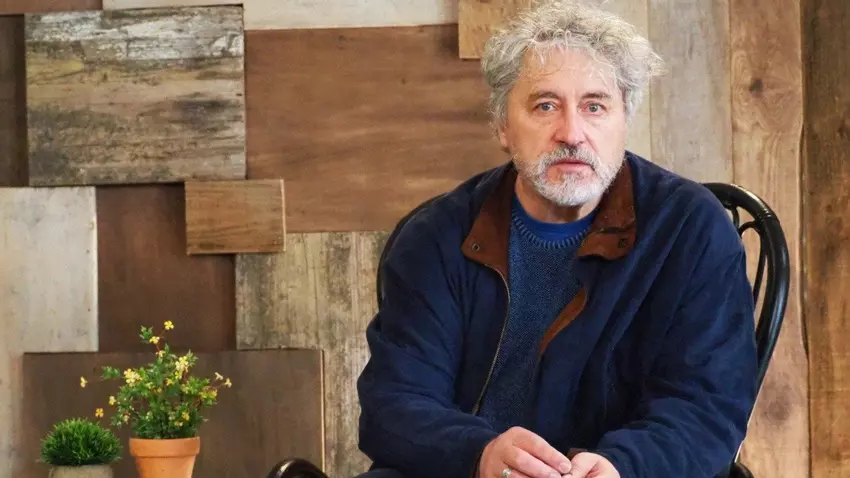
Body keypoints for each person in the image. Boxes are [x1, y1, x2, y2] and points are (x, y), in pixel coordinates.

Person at [356, 1, 758, 477]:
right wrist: (478, 455)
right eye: (545, 106)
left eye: (594, 106)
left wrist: (623, 466)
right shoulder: (435, 237)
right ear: (503, 127)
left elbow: (706, 406)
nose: (571, 133)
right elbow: (395, 403)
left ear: (624, 121)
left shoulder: (690, 230)